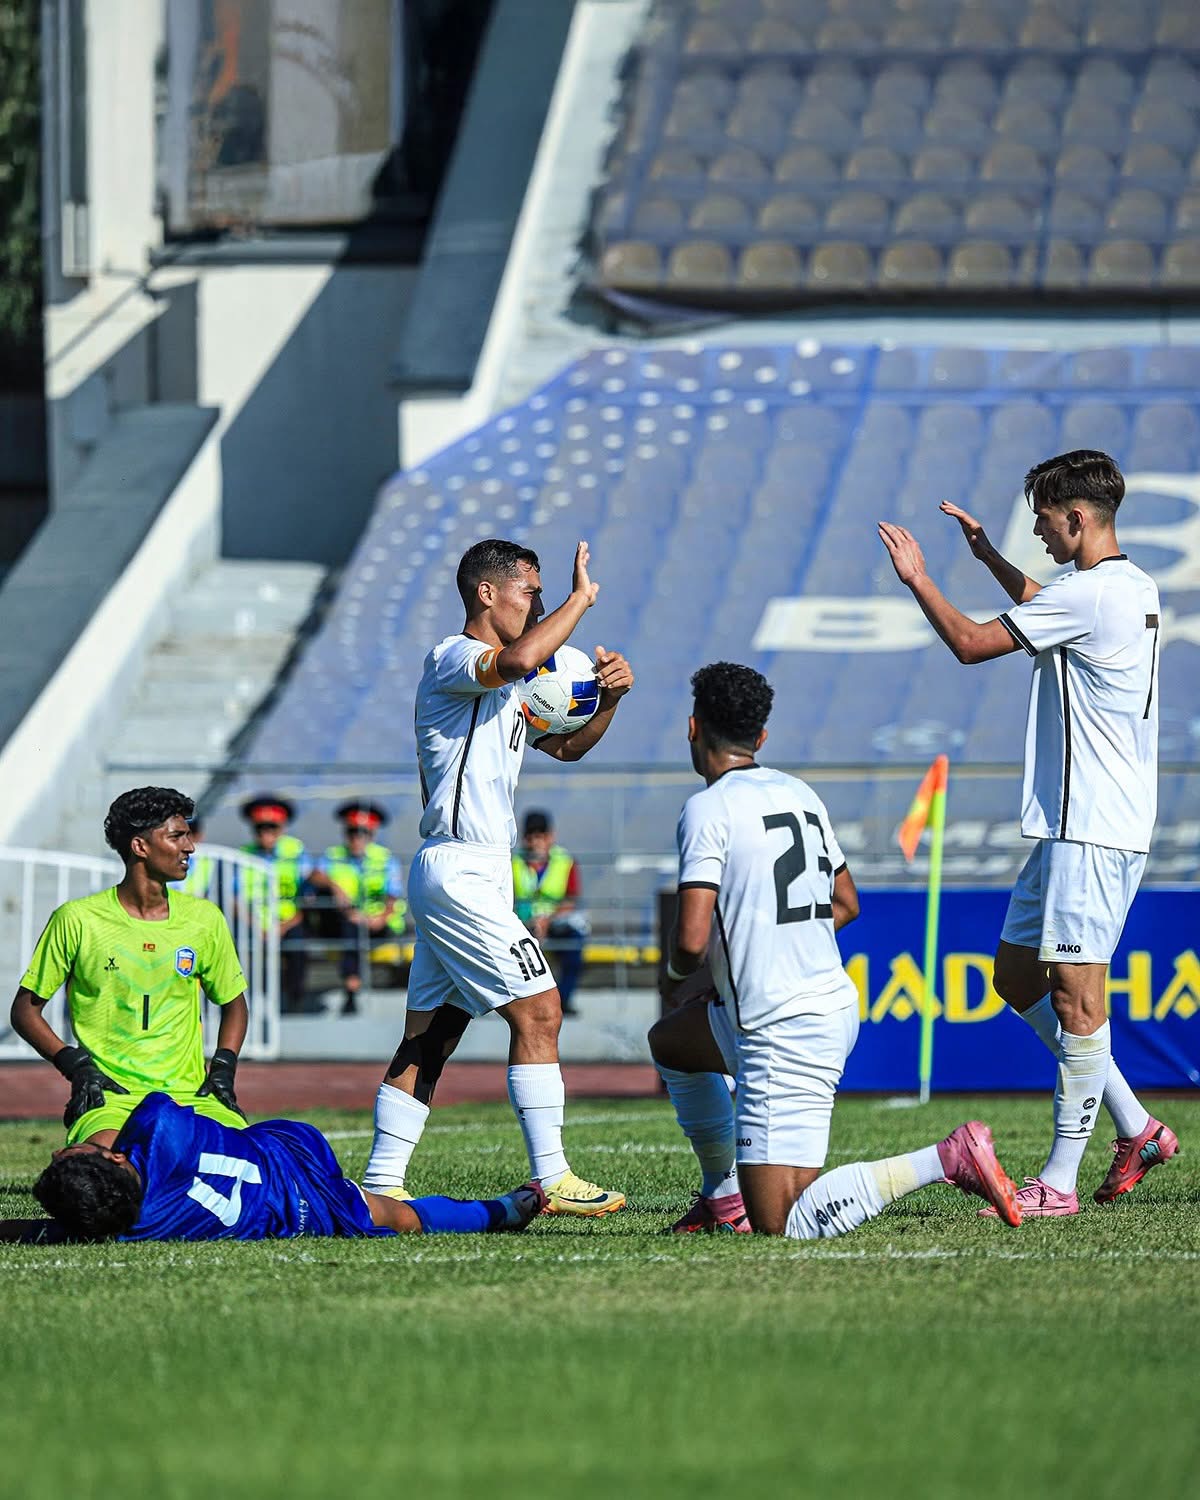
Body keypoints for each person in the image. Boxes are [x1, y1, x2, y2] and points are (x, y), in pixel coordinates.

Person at [879, 449, 1177, 1215]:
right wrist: (989, 558)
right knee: (1016, 977)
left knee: (1078, 1003)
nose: (1039, 532)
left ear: (1076, 517)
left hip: (1093, 825)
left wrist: (920, 579)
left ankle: (1060, 1181)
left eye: (1044, 520)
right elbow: (1051, 604)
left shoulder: (1089, 596)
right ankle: (1139, 1127)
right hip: (1074, 825)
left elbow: (972, 645)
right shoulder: (1126, 586)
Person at [651, 662, 1022, 1237]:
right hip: (821, 1004)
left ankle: (946, 1159)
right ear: (761, 737)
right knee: (673, 1044)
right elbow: (846, 902)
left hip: (781, 1027)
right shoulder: (798, 792)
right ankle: (723, 1197)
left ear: (693, 728)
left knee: (782, 1225)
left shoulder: (708, 807)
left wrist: (676, 978)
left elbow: (691, 941)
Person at [361, 538, 634, 1216]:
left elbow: (565, 747)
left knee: (432, 1036)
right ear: (487, 593)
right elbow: (514, 659)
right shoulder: (453, 657)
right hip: (459, 868)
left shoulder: (513, 686)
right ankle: (553, 1176)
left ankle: (380, 1182)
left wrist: (607, 700)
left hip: (473, 872)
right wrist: (579, 600)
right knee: (540, 1010)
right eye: (530, 593)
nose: (537, 606)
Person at [9, 787, 250, 1146]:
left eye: (188, 836)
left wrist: (223, 1068)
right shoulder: (77, 919)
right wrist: (76, 1067)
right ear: (140, 846)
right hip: (112, 1100)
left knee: (245, 1161)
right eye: (177, 836)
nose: (190, 847)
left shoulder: (205, 919)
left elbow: (234, 1004)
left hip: (191, 1098)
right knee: (101, 1167)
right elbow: (25, 1012)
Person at [1, 1093, 544, 1242]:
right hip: (291, 1151)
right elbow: (128, 1129)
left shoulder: (129, 1228)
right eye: (67, 1152)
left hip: (297, 1216)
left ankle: (507, 1209)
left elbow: (38, 1230)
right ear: (115, 1157)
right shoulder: (162, 1126)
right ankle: (506, 1207)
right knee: (402, 1218)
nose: (57, 1150)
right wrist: (94, 1141)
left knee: (400, 1218)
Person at [310, 802, 406, 1016]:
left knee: (352, 929)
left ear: (372, 834)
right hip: (346, 922)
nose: (357, 838)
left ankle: (351, 988)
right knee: (350, 928)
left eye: (363, 833)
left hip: (379, 925)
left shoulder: (385, 859)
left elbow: (393, 896)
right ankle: (352, 986)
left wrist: (378, 919)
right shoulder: (333, 855)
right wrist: (334, 886)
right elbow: (314, 875)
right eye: (352, 832)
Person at [238, 794, 312, 1013]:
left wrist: (285, 925)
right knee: (241, 948)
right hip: (254, 923)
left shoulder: (296, 851)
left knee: (298, 946)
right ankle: (250, 1002)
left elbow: (307, 895)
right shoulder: (243, 855)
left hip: (289, 921)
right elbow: (235, 898)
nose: (266, 833)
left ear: (282, 828)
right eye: (260, 828)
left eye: (272, 827)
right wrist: (256, 926)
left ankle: (295, 999)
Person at [513, 810, 588, 1016]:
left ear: (550, 836)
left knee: (574, 943)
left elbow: (571, 899)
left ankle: (563, 1000)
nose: (535, 842)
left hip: (555, 923)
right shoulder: (513, 862)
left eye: (541, 835)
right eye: (531, 836)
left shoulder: (565, 861)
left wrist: (548, 920)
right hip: (523, 923)